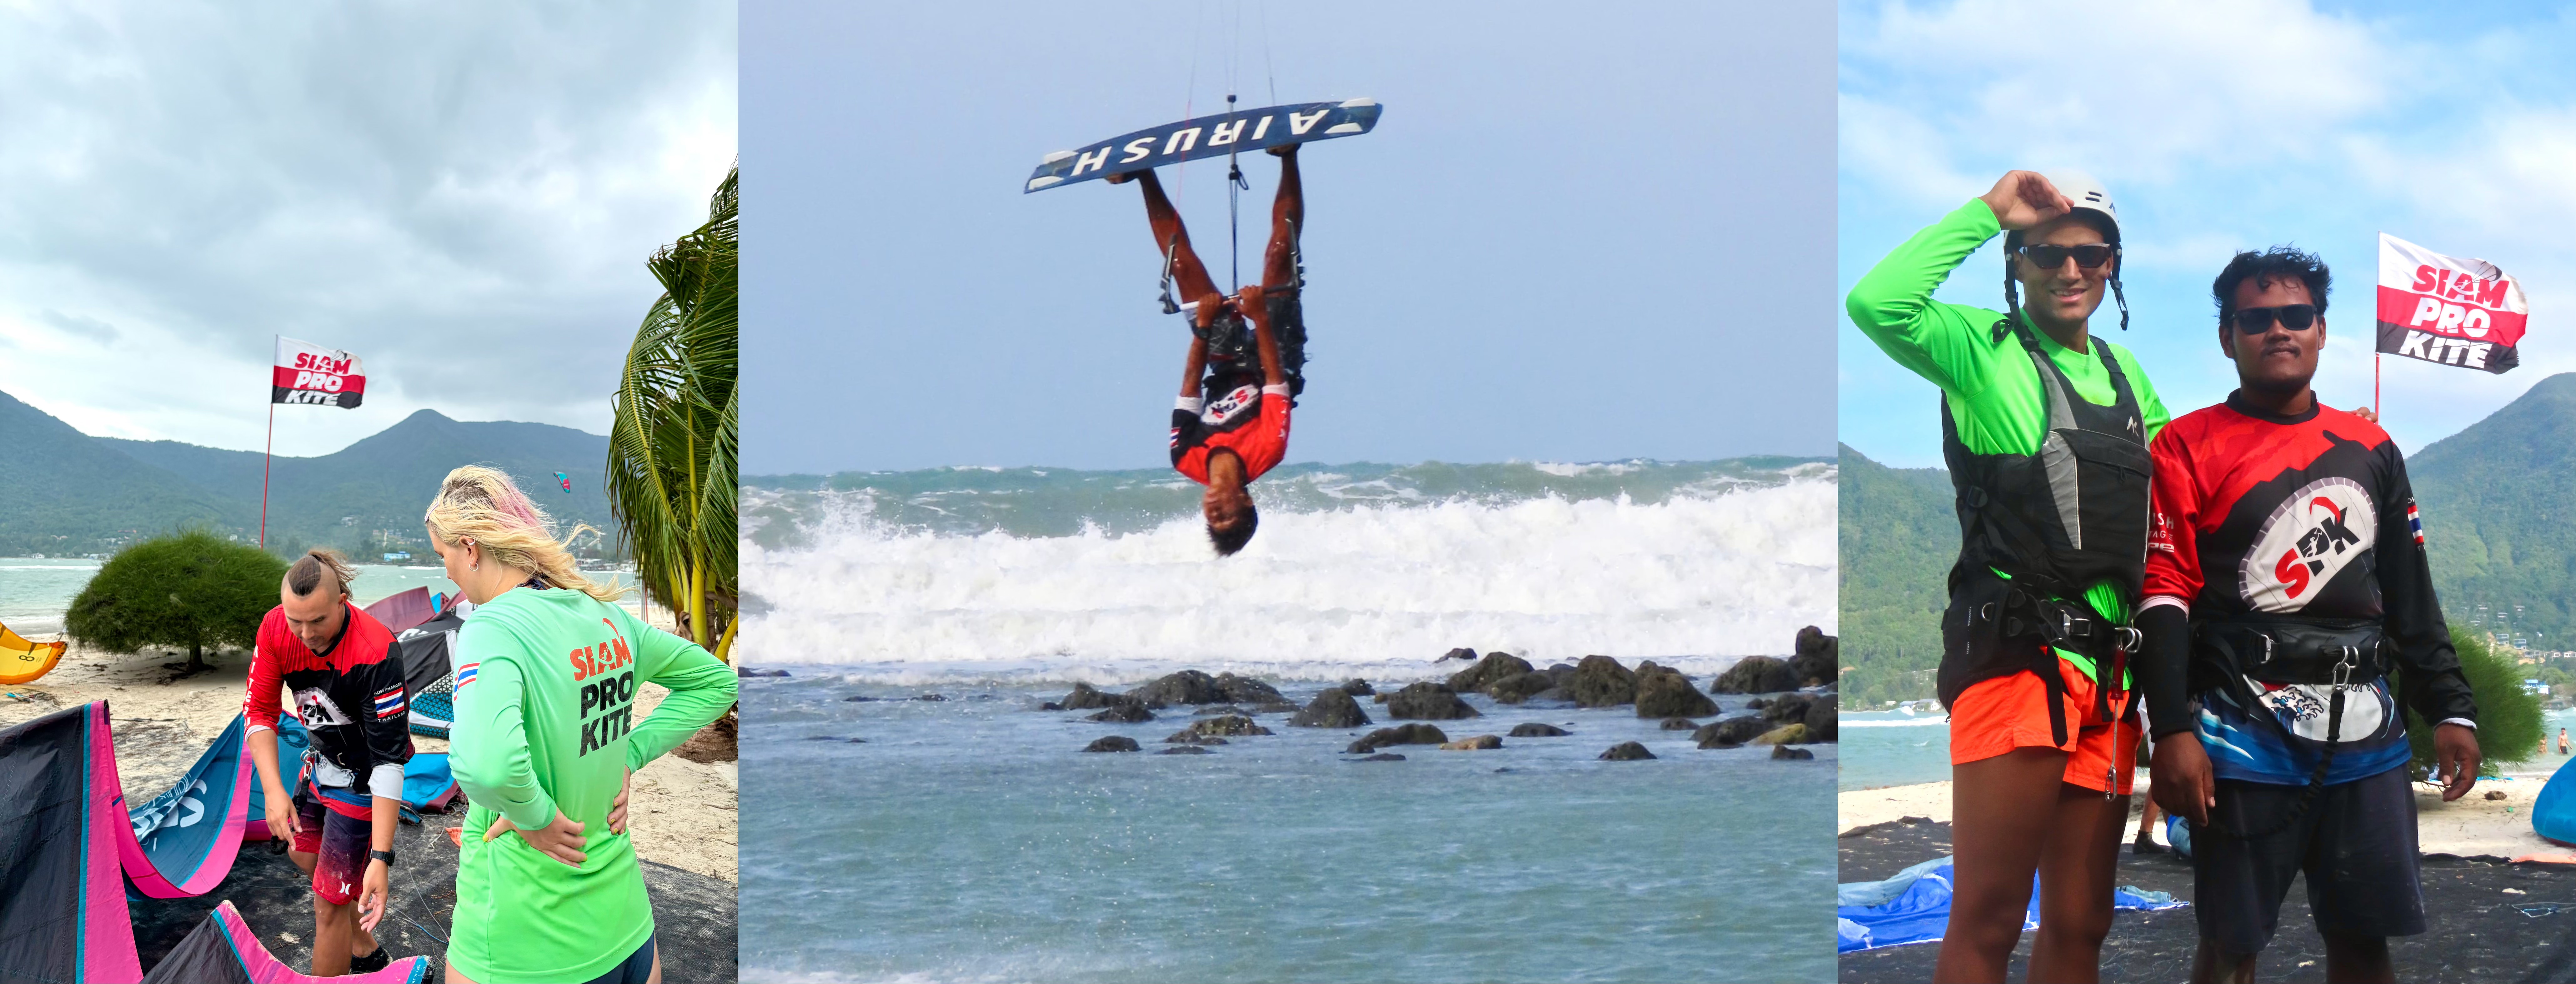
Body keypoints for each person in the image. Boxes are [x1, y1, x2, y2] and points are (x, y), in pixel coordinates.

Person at [1846, 169, 2169, 983]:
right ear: (2016, 261)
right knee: (1990, 915)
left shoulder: (2127, 376)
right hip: (2018, 659)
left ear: (2113, 265)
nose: (2070, 270)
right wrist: (1989, 211)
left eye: (2090, 254)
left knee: (2082, 918)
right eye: (2045, 252)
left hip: (2108, 675)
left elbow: (2185, 484)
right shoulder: (1979, 351)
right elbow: (1876, 302)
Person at [2139, 246, 2481, 983]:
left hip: (2368, 735)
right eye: (2254, 319)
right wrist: (2168, 729)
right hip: (2238, 732)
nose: (2277, 330)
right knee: (2229, 947)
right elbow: (2162, 592)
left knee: (2363, 944)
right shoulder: (2183, 445)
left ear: (2322, 331)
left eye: (2295, 316)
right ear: (2226, 337)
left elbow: (2408, 592)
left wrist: (2452, 708)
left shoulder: (2371, 448)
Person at [431, 466, 738, 984]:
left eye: (443, 556)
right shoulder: (609, 618)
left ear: (471, 548)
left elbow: (487, 766)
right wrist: (629, 753)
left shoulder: (494, 626)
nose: (446, 573)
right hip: (627, 927)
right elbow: (715, 682)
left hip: (527, 940)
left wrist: (534, 817)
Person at [1106, 143, 1306, 556]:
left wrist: (1202, 326)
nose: (1215, 509)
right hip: (1277, 362)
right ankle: (1288, 154)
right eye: (1227, 515)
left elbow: (1190, 386)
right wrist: (1260, 318)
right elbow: (1275, 382)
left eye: (1211, 518)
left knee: (1182, 268)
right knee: (1278, 257)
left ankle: (1142, 175)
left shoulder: (1185, 457)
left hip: (1225, 363)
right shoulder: (1268, 449)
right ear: (1247, 502)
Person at [243, 549, 412, 976]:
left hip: (365, 778)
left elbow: (390, 760)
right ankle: (366, 948)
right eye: (295, 619)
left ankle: (344, 954)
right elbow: (260, 712)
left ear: (343, 600)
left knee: (329, 904)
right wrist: (273, 789)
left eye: (317, 621)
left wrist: (381, 855)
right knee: (303, 854)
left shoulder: (377, 648)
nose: (304, 633)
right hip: (320, 766)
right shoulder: (275, 628)